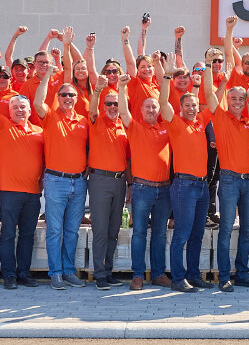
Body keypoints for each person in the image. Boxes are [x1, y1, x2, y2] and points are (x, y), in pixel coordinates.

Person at [204, 61, 249, 292]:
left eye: (241, 99)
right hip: (230, 180)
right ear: (228, 100)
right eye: (234, 99)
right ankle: (224, 277)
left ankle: (242, 274)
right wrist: (222, 80)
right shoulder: (220, 118)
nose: (238, 102)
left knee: (247, 231)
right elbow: (210, 97)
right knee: (226, 230)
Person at [0, 66, 44, 290]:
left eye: (22, 107)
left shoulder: (40, 132)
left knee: (28, 235)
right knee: (8, 234)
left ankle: (24, 273)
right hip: (9, 192)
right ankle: (8, 274)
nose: (19, 110)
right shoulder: (2, 125)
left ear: (29, 110)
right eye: (15, 107)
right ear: (9, 111)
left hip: (33, 193)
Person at [33, 58, 89, 290]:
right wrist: (47, 76)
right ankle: (55, 273)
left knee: (72, 231)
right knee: (55, 230)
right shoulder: (50, 116)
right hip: (56, 181)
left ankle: (68, 271)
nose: (67, 98)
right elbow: (37, 102)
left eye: (71, 95)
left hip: (79, 182)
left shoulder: (84, 121)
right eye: (63, 95)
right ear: (58, 98)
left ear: (76, 98)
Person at [160, 57, 212, 293]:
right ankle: (178, 279)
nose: (192, 108)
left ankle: (194, 275)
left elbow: (212, 99)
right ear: (181, 107)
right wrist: (167, 76)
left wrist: (206, 75)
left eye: (194, 105)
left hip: (202, 187)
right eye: (188, 105)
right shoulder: (175, 122)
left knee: (197, 234)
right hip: (184, 186)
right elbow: (163, 102)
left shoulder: (200, 121)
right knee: (182, 233)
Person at [118, 73, 174, 291]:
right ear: (141, 110)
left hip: (164, 189)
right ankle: (138, 275)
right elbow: (123, 111)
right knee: (140, 233)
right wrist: (122, 88)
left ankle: (158, 274)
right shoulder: (134, 127)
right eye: (147, 107)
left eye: (154, 107)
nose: (151, 110)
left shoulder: (166, 128)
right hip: (142, 188)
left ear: (159, 110)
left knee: (160, 234)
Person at [87, 73, 130, 291]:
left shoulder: (124, 125)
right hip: (100, 180)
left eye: (116, 104)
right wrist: (97, 90)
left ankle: (109, 270)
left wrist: (129, 184)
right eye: (109, 104)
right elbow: (92, 109)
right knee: (101, 230)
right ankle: (99, 274)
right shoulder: (96, 121)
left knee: (114, 230)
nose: (113, 107)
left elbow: (128, 159)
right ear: (104, 106)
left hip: (119, 182)